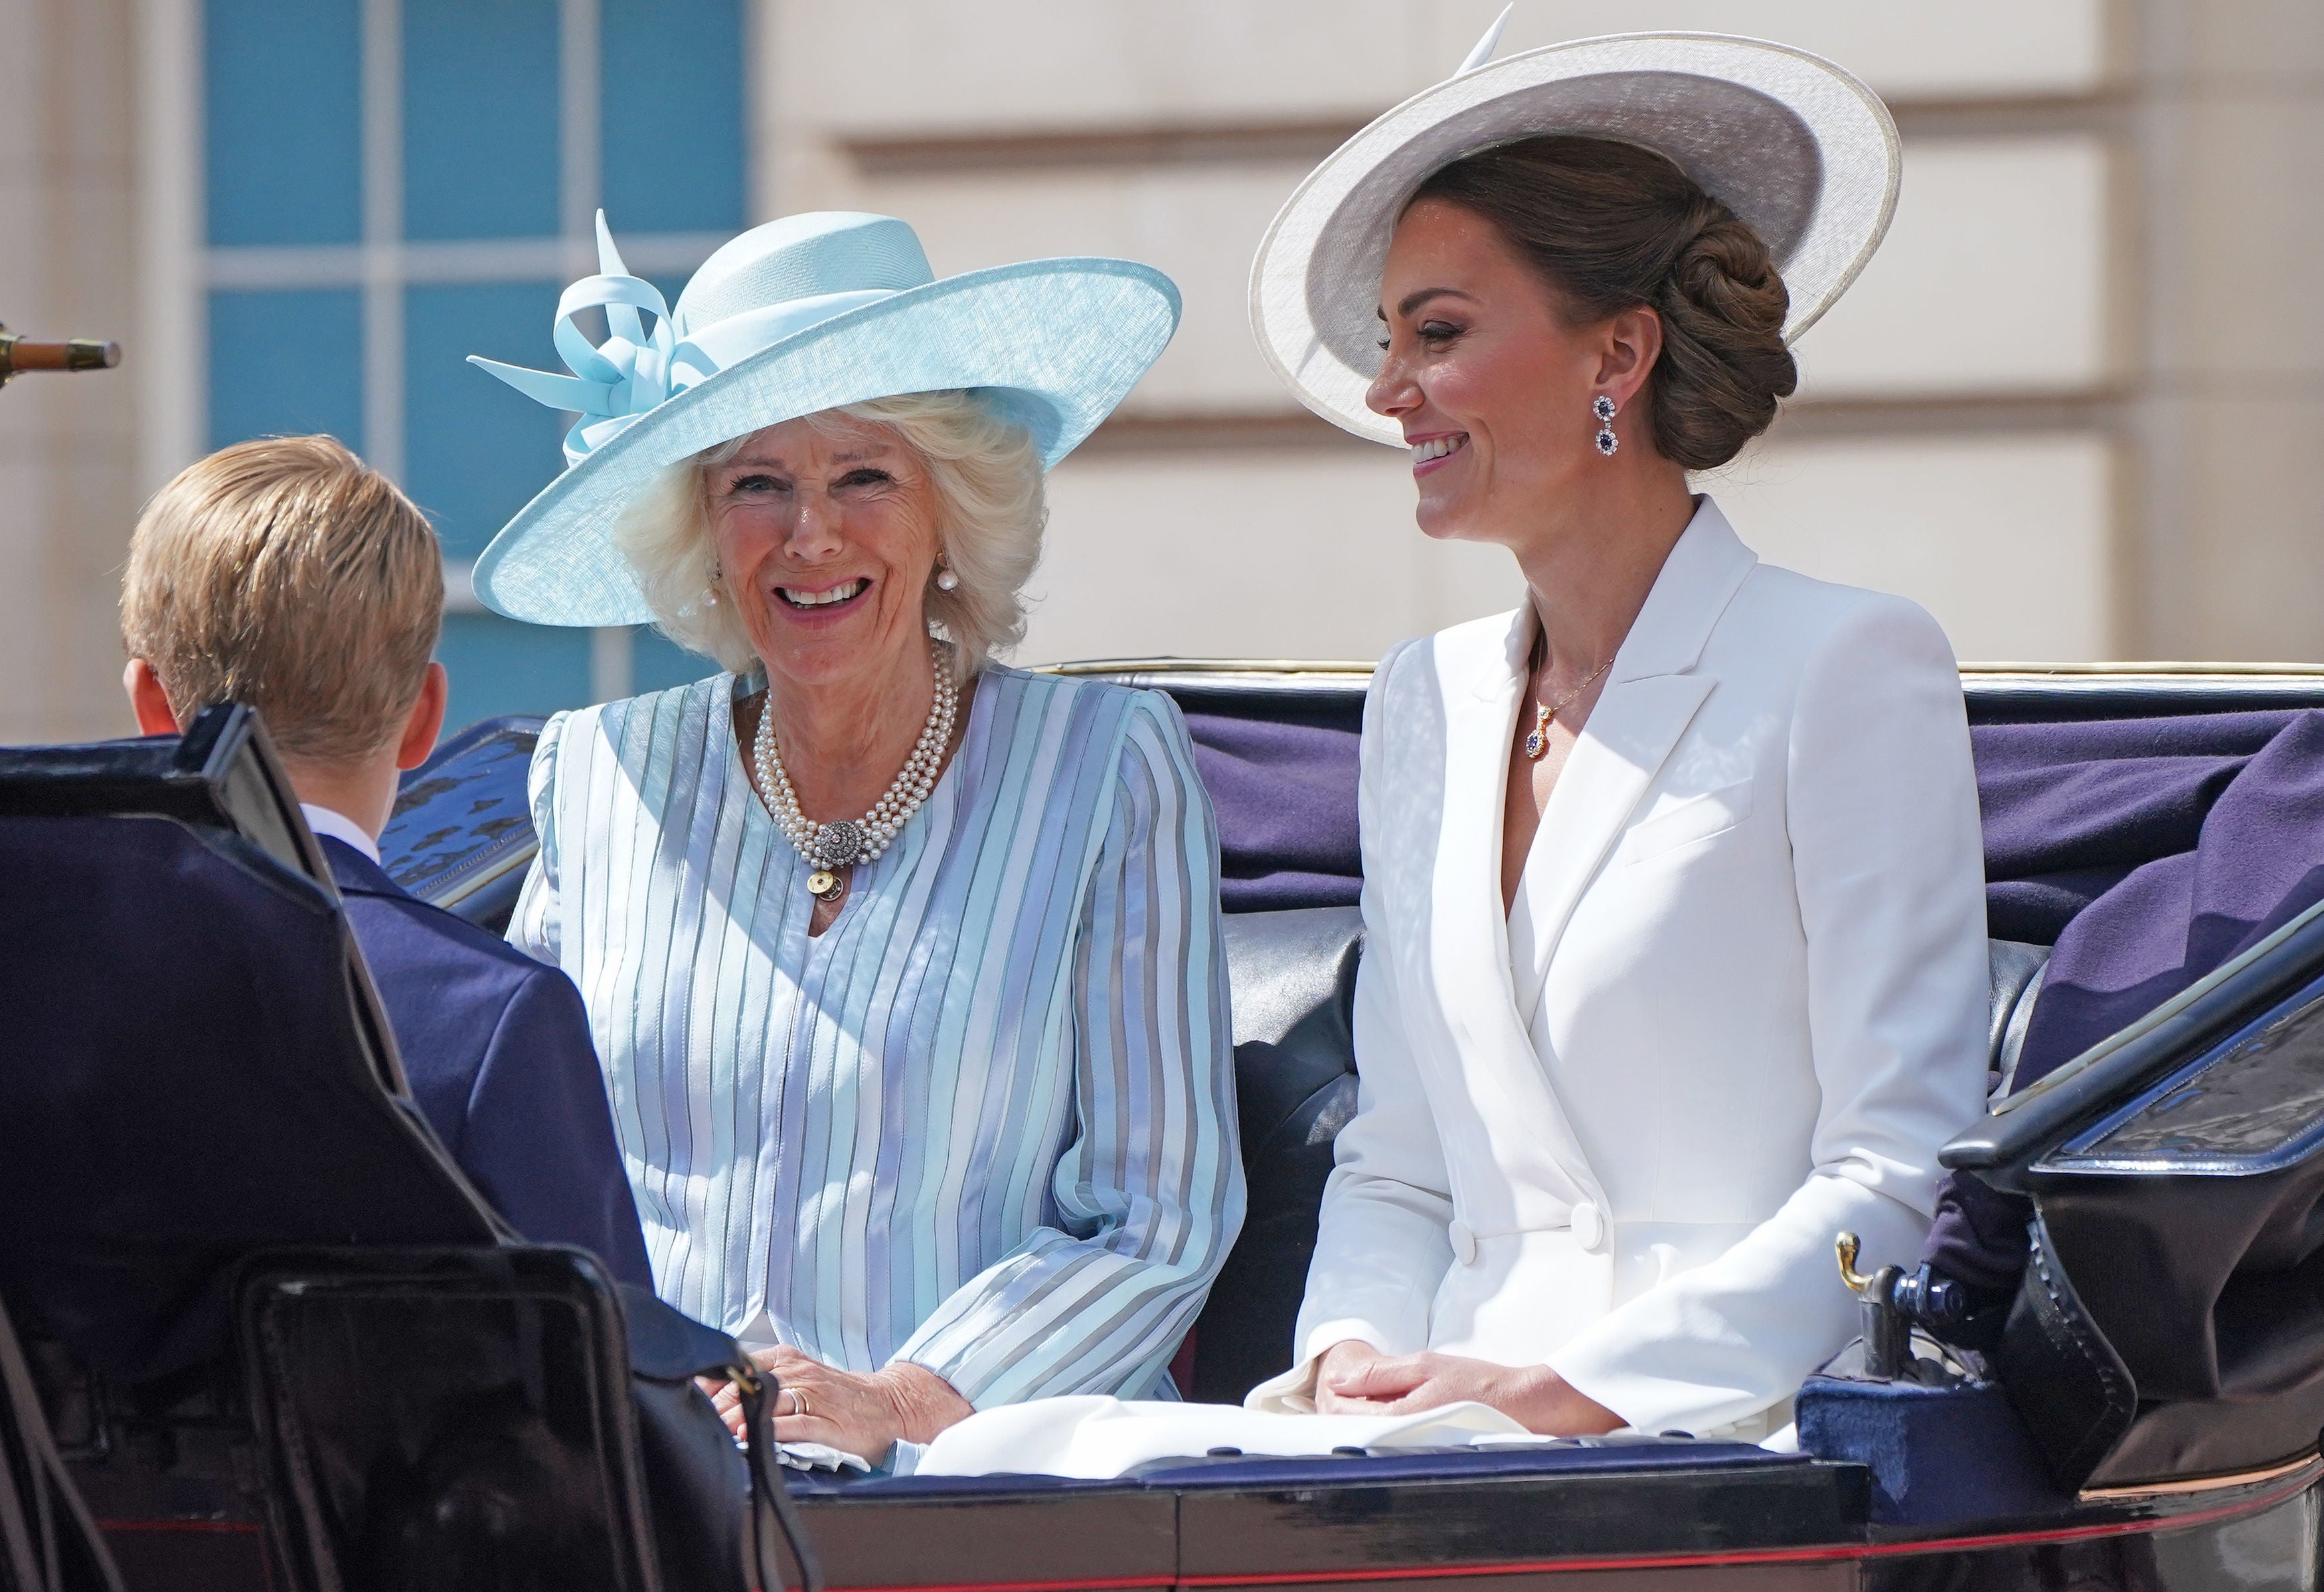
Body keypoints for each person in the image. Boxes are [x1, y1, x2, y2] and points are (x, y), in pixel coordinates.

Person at [1243, 33, 1990, 1441]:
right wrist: (1350, 1353)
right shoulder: (1425, 695)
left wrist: (1575, 1393)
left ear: (1619, 352)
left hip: (1728, 1442)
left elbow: (1895, 1171)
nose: (1388, 389)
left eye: (1439, 333)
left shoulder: (1845, 662)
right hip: (1415, 1458)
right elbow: (1401, 1167)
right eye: (1392, 338)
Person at [471, 209, 1244, 1467]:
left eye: (864, 475)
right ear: (706, 535)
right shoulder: (599, 776)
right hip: (644, 1481)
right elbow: (519, 1177)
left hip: (990, 1493)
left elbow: (1161, 1215)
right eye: (756, 484)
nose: (810, 533)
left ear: (951, 506)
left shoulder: (1105, 768)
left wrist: (902, 1405)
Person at [118, 435, 653, 1291]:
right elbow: (614, 1385)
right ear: (424, 716)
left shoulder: (54, 985)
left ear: (153, 708)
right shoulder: (498, 1016)